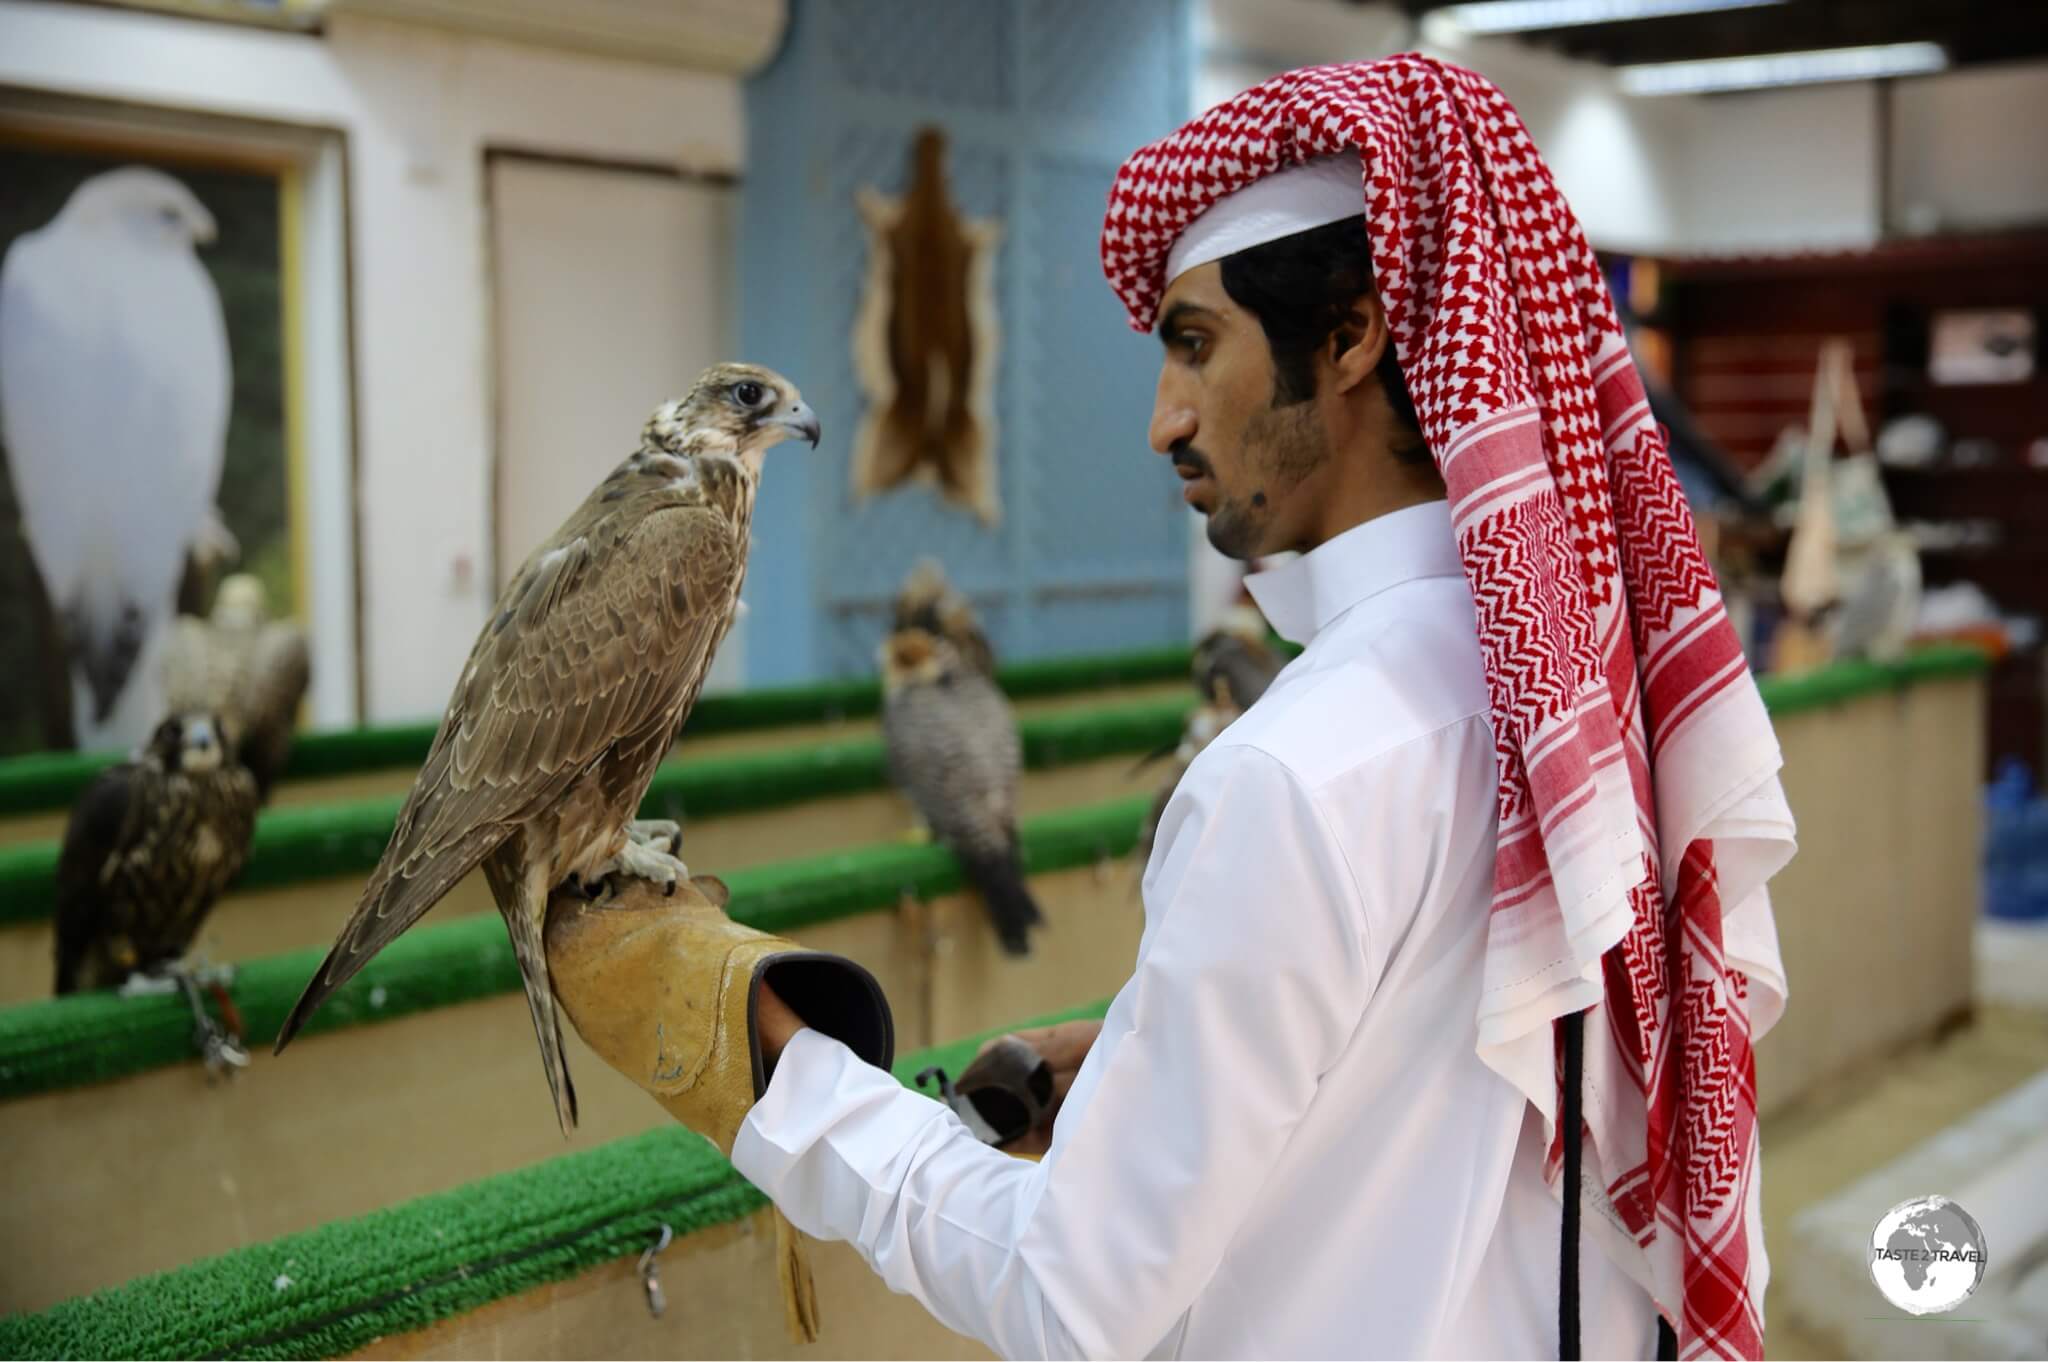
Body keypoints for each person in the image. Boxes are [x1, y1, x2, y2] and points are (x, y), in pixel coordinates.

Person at [740, 55, 1794, 1360]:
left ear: (1349, 334)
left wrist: (793, 1079)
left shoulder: (1295, 772)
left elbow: (1070, 1296)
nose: (1164, 420)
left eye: (1195, 346)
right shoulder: (1582, 711)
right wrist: (1143, 1067)